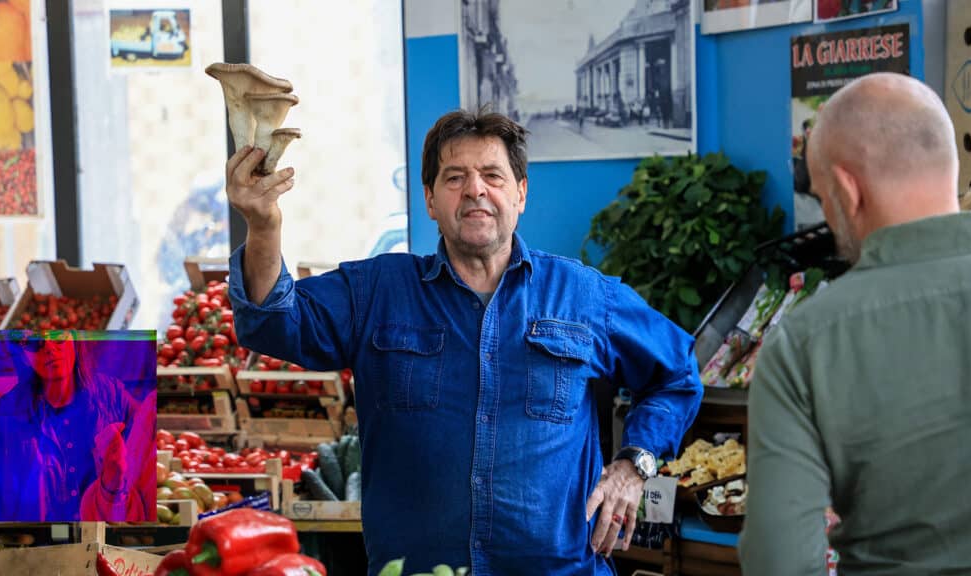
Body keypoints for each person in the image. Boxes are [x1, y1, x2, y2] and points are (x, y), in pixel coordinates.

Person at [226, 109, 703, 575]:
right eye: (455, 178)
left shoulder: (584, 296)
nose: (475, 189)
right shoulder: (379, 291)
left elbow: (677, 373)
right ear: (430, 199)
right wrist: (264, 224)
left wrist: (633, 465)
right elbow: (273, 321)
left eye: (492, 176)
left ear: (520, 194)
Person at [739, 73, 971, 574]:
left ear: (849, 190)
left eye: (822, 195)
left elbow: (779, 563)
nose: (826, 214)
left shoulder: (803, 344)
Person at [0, 331, 156, 522]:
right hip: (36, 543)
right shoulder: (3, 412)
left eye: (58, 337)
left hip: (102, 538)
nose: (49, 348)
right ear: (24, 352)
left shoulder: (111, 395)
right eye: (36, 343)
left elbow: (147, 443)